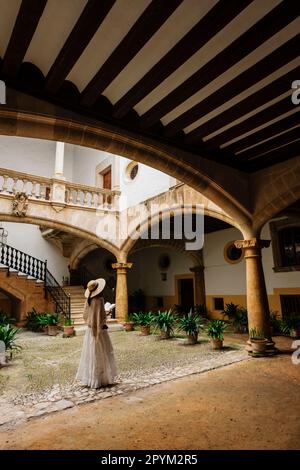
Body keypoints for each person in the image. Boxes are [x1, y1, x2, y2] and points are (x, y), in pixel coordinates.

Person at [76, 278, 117, 388]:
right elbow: (102, 317)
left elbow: (86, 316)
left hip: (90, 331)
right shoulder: (100, 300)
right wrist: (107, 312)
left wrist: (94, 320)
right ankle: (101, 379)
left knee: (91, 353)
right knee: (102, 352)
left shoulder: (88, 300)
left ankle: (91, 378)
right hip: (100, 331)